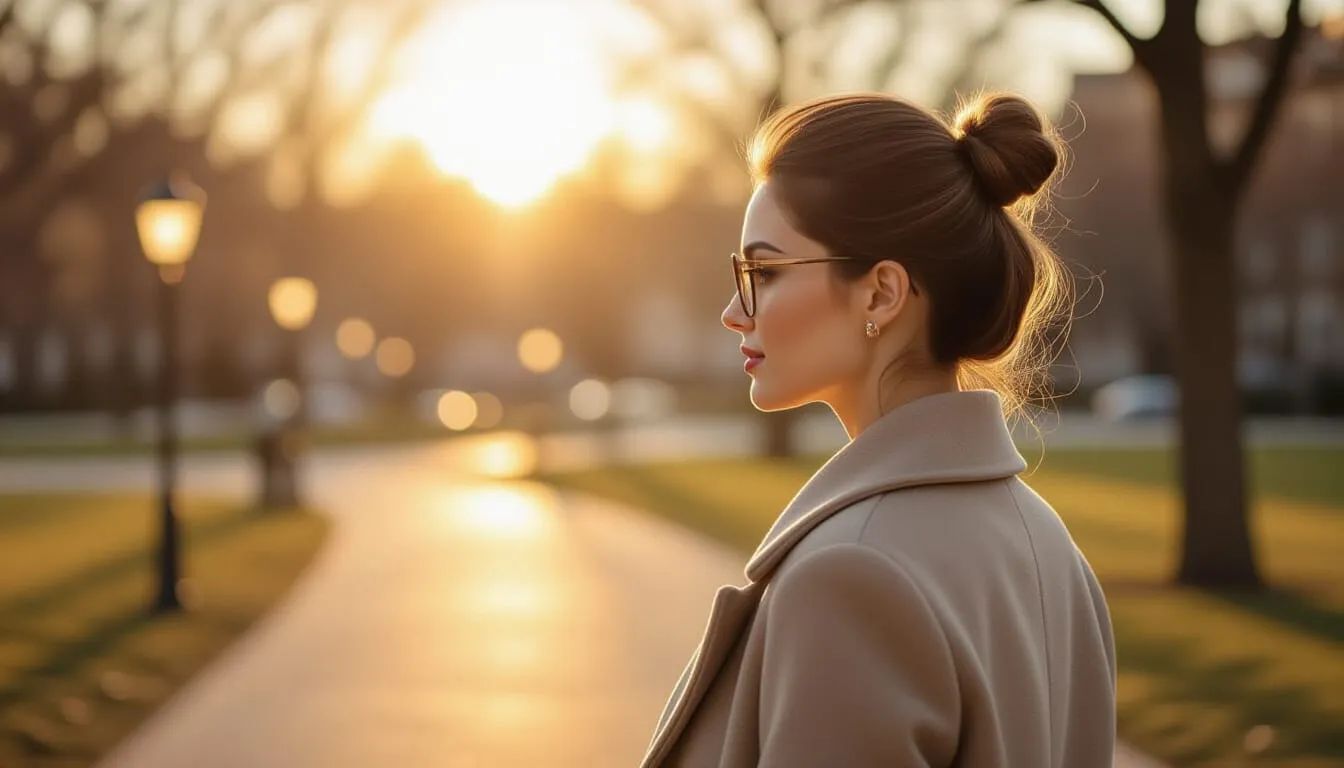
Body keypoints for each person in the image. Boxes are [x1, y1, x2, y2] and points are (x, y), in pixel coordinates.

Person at [639, 90, 1117, 767]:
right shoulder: (1051, 547)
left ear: (882, 293)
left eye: (765, 272)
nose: (733, 312)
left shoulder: (848, 578)